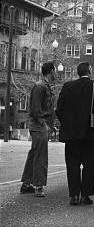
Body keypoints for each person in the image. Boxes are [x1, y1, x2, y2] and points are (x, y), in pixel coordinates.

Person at [56, 62, 94, 206]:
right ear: (89, 71)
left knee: (72, 164)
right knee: (90, 165)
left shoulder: (67, 87)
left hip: (72, 134)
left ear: (78, 73)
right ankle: (85, 195)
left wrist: (67, 124)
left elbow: (59, 109)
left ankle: (74, 195)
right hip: (92, 134)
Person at [20, 61, 56, 197]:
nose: (56, 73)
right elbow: (36, 109)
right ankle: (38, 186)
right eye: (55, 71)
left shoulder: (44, 86)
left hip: (40, 124)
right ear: (51, 71)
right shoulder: (40, 87)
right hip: (39, 125)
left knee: (34, 154)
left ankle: (26, 184)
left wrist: (50, 125)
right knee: (41, 155)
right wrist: (44, 124)